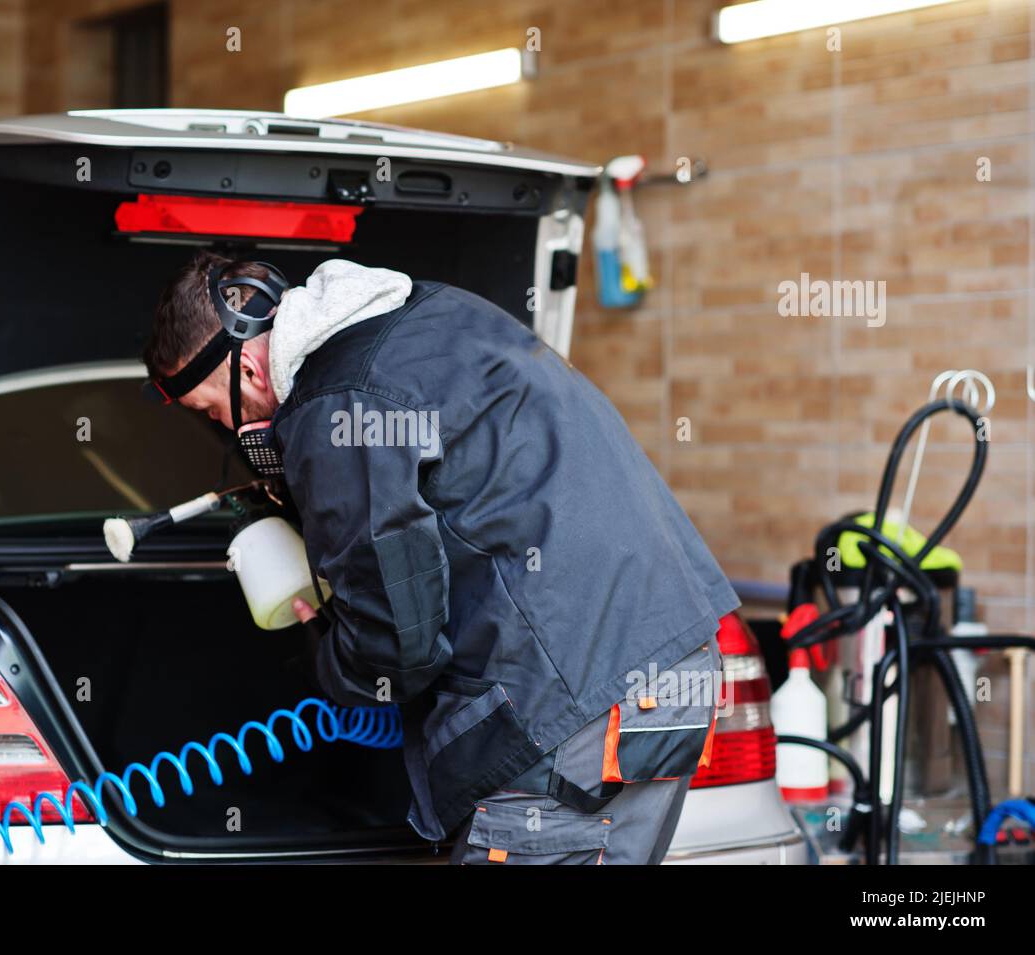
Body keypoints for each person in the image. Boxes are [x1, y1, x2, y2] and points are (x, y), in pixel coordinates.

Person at [142, 251, 736, 864]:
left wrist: (324, 651)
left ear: (248, 375)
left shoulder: (336, 405)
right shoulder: (435, 310)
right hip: (667, 663)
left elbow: (397, 647)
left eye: (213, 412)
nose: (226, 429)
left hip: (566, 701)